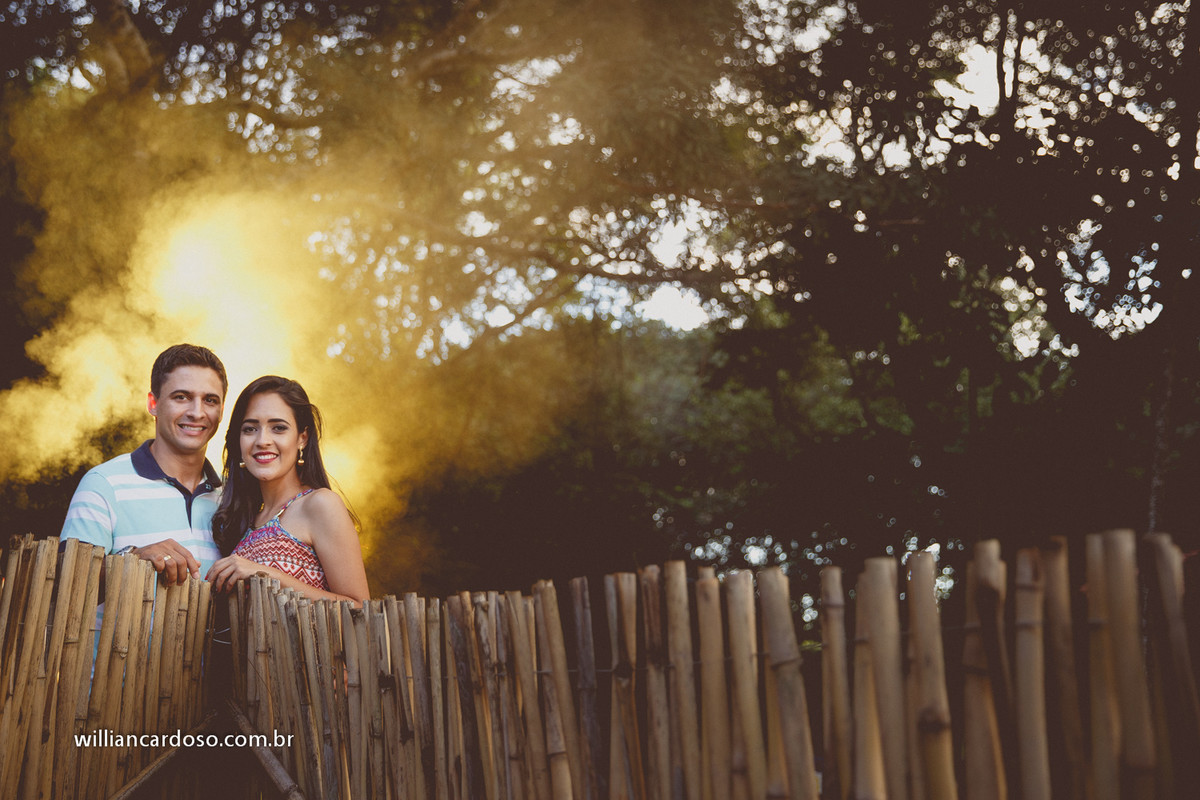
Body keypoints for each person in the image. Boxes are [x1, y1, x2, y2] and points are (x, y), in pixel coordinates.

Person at [61, 343, 226, 583]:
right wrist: (132, 559)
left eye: (210, 400)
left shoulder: (230, 493)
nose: (197, 412)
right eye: (182, 397)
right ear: (153, 404)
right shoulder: (104, 484)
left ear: (222, 410)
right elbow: (66, 583)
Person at [206, 375, 369, 603]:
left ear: (302, 438)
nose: (262, 440)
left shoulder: (320, 504)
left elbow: (359, 609)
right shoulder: (244, 521)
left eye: (279, 428)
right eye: (250, 429)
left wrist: (267, 575)